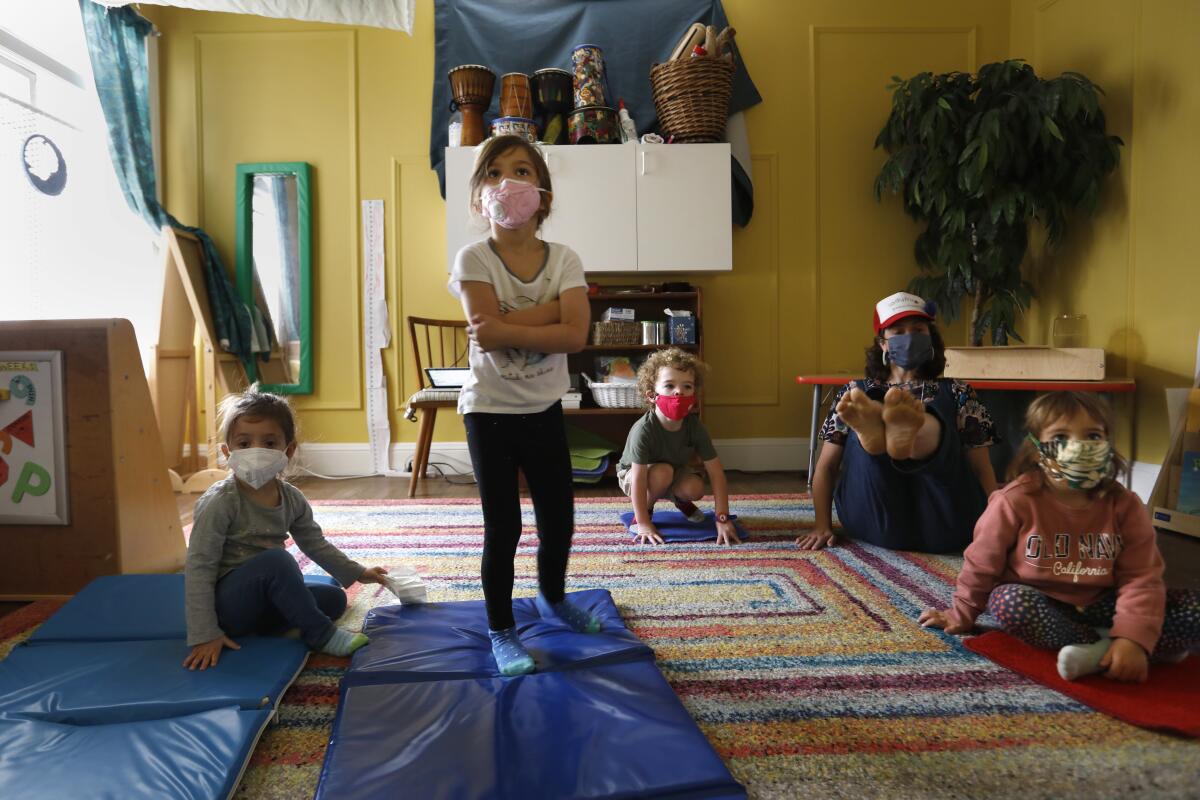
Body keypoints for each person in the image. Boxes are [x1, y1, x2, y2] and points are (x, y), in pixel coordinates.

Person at [449, 135, 599, 678]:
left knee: (559, 518)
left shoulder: (565, 258)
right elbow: (484, 335)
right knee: (503, 526)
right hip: (488, 410)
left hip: (542, 408)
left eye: (519, 171)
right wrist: (551, 315)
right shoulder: (473, 257)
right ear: (477, 197)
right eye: (492, 173)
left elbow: (576, 335)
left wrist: (510, 325)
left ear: (544, 194)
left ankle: (554, 598)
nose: (505, 184)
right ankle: (501, 629)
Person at [920, 392, 1200, 681]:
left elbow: (1141, 577)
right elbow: (981, 563)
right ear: (1036, 448)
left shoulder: (1125, 505)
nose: (1079, 446)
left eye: (1092, 435)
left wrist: (1132, 636)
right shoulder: (1014, 501)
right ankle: (1110, 646)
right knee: (1007, 602)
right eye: (1061, 436)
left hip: (1106, 603)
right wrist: (961, 612)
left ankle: (1115, 645)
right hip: (1043, 602)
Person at [184, 386, 388, 670]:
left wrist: (358, 572)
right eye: (244, 444)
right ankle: (322, 635)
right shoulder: (221, 501)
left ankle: (282, 623)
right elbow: (198, 567)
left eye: (269, 443)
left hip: (263, 599)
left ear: (288, 450)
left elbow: (315, 544)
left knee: (333, 599)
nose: (256, 451)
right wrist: (205, 632)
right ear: (227, 451)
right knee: (277, 561)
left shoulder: (291, 498)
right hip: (229, 607)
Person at [797, 291, 999, 552]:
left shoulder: (958, 391)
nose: (910, 337)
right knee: (865, 407)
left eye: (918, 329)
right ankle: (883, 435)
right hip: (876, 511)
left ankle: (908, 432)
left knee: (936, 429)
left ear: (930, 338)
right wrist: (821, 524)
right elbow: (826, 467)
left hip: (943, 518)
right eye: (899, 331)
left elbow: (981, 469)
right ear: (882, 343)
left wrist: (995, 528)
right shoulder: (855, 394)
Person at [617, 348, 740, 546]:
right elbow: (639, 479)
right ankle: (646, 509)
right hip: (633, 476)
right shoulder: (643, 430)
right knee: (663, 472)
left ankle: (681, 502)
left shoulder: (695, 427)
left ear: (694, 394)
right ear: (651, 395)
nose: (679, 391)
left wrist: (722, 518)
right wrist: (643, 522)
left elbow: (716, 473)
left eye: (687, 386)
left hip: (673, 471)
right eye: (669, 385)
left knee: (695, 487)